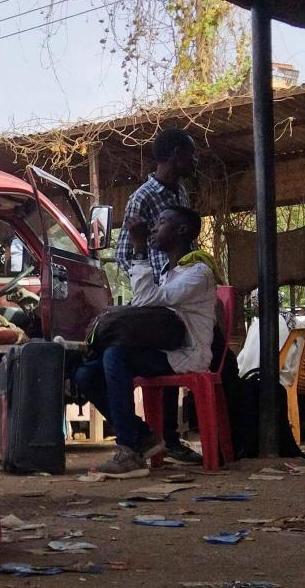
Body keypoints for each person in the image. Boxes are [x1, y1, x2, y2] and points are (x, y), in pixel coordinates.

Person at [74, 206, 217, 477]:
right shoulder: (169, 273)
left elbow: (145, 300)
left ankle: (129, 449)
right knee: (85, 374)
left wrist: (139, 249)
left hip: (186, 355)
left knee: (115, 356)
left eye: (161, 223)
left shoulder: (198, 273)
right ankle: (142, 435)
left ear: (182, 230)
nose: (153, 229)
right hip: (162, 351)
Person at [114, 128, 204, 465]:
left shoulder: (180, 191)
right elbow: (124, 253)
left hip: (179, 290)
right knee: (163, 354)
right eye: (190, 154)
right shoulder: (142, 197)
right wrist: (152, 280)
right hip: (156, 294)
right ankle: (164, 437)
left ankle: (172, 437)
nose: (194, 161)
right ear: (176, 154)